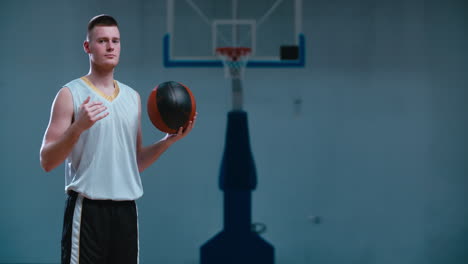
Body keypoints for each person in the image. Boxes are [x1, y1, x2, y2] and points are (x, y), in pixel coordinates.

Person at [39, 14, 196, 264]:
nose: (111, 46)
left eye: (116, 40)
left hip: (126, 210)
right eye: (102, 41)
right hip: (88, 210)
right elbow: (47, 160)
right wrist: (78, 127)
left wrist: (167, 141)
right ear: (88, 47)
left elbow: (134, 163)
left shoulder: (132, 98)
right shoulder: (70, 94)